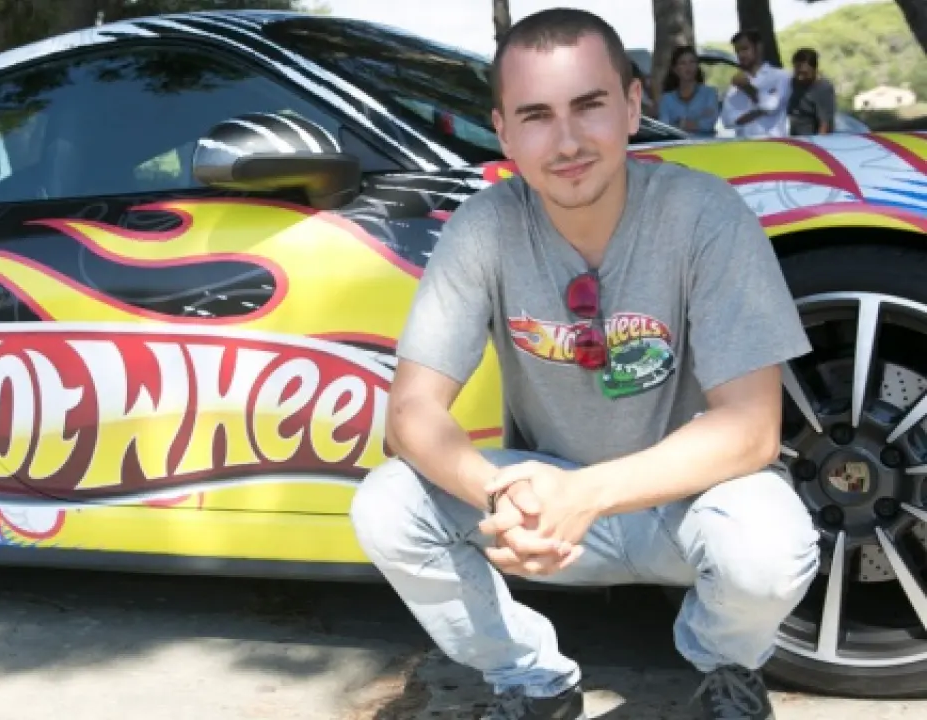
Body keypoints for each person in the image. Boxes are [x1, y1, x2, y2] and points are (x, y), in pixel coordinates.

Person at [348, 8, 820, 720]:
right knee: (387, 504)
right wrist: (497, 494)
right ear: (503, 132)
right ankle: (532, 681)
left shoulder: (705, 214)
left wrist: (588, 494)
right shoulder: (485, 226)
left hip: (688, 503)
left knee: (770, 544)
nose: (567, 141)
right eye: (536, 115)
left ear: (631, 106)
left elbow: (751, 429)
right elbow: (411, 412)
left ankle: (727, 669)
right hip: (546, 506)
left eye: (589, 105)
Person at [719, 29, 793, 138]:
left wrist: (748, 88)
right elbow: (727, 121)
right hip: (744, 144)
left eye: (745, 49)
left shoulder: (781, 76)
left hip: (774, 143)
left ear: (758, 48)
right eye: (737, 51)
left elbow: (771, 106)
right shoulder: (736, 84)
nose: (741, 55)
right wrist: (760, 111)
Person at [657, 45, 721, 137]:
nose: (688, 67)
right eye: (683, 63)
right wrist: (697, 122)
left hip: (704, 143)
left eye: (692, 62)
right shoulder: (667, 99)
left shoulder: (709, 93)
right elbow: (665, 127)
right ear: (675, 69)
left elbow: (709, 123)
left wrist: (679, 123)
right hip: (677, 144)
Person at [787, 47, 837, 136]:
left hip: (811, 137)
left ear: (815, 69)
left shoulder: (823, 88)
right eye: (797, 73)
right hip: (790, 136)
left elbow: (825, 122)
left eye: (804, 73)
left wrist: (819, 141)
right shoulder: (792, 82)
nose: (800, 77)